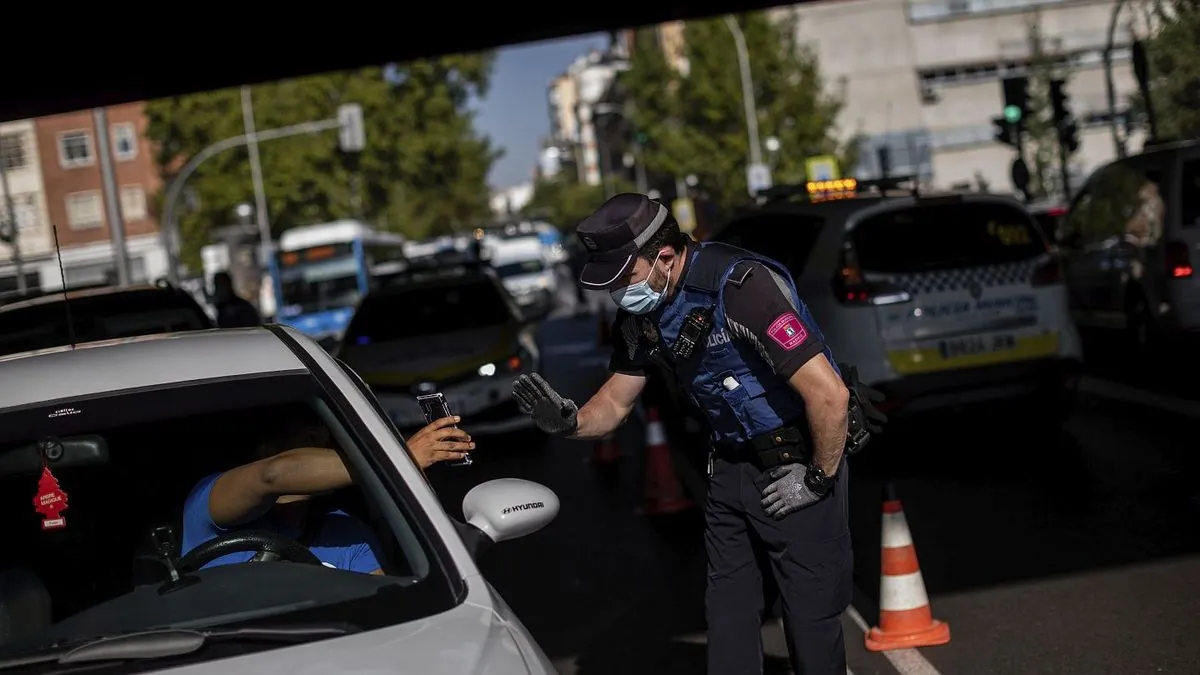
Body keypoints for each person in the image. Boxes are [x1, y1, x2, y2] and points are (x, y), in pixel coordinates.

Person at [511, 193, 886, 675]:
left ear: (664, 256)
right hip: (730, 468)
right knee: (727, 617)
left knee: (810, 624)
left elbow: (829, 396)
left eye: (624, 277)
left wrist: (815, 479)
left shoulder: (741, 288)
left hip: (800, 462)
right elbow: (615, 402)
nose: (618, 293)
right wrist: (569, 421)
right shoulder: (643, 314)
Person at [181, 410, 475, 574]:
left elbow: (385, 607)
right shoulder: (206, 503)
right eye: (309, 436)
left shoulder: (347, 534)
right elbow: (272, 475)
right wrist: (399, 460)